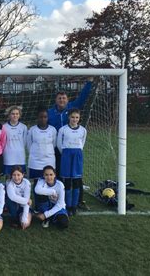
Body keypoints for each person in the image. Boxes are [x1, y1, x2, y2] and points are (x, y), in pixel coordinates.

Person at [48, 79, 92, 209]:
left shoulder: (73, 108)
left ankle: (79, 201)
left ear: (67, 100)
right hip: (56, 148)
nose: (62, 100)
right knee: (60, 174)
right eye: (59, 98)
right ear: (56, 100)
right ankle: (60, 199)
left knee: (76, 176)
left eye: (64, 98)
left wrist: (88, 83)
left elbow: (83, 97)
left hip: (71, 149)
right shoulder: (50, 112)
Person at [57, 108, 87, 216]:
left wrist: (76, 151)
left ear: (79, 118)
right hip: (66, 155)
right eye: (72, 117)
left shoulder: (83, 130)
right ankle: (68, 205)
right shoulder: (63, 130)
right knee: (68, 182)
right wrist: (66, 153)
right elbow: (59, 145)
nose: (74, 119)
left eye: (77, 117)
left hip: (77, 155)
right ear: (69, 117)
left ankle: (74, 206)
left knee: (77, 181)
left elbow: (82, 144)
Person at [26, 107, 57, 180]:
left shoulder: (52, 130)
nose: (43, 119)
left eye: (45, 117)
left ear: (48, 118)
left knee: (49, 182)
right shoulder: (32, 130)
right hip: (35, 163)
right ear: (37, 118)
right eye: (41, 117)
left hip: (49, 161)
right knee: (36, 183)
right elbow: (29, 145)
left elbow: (54, 144)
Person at [2, 106, 27, 176]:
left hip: (20, 156)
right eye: (13, 114)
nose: (15, 115)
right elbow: (3, 141)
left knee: (20, 176)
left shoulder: (23, 127)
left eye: (17, 114)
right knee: (8, 176)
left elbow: (24, 142)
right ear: (9, 115)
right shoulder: (4, 127)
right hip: (8, 156)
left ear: (19, 115)